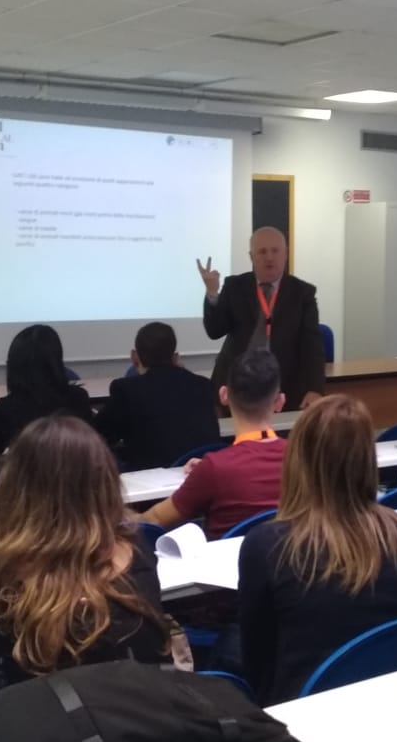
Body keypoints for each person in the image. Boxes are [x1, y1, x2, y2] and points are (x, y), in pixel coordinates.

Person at [237, 394, 397, 706]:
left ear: (297, 459)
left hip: (304, 711)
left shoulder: (267, 546)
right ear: (368, 457)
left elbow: (257, 659)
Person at [0, 416, 170, 684]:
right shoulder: (136, 548)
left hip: (41, 707)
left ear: (13, 483)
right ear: (104, 482)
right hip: (143, 702)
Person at [142, 349, 286, 538]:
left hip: (228, 558)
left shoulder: (215, 468)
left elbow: (154, 520)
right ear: (279, 402)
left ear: (224, 395)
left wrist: (119, 515)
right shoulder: (303, 458)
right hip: (291, 556)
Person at [199, 227, 325, 413]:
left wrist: (315, 388)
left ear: (286, 254)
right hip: (236, 385)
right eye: (262, 251)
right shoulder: (235, 286)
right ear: (252, 257)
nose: (269, 257)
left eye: (275, 251)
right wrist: (212, 293)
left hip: (283, 386)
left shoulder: (302, 293)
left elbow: (312, 344)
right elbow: (214, 330)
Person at [95, 322, 219, 470]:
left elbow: (100, 434)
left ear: (134, 357)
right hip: (199, 471)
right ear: (175, 357)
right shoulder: (204, 385)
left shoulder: (126, 389)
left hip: (148, 475)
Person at [0, 324, 94, 456]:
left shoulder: (4, 408)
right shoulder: (78, 398)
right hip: (76, 468)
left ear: (13, 364)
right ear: (56, 361)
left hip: (28, 469)